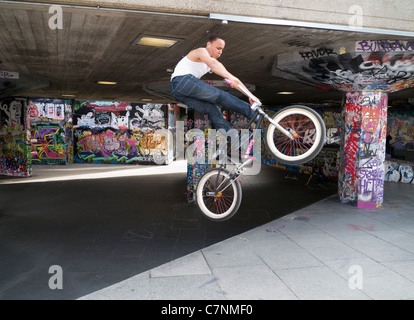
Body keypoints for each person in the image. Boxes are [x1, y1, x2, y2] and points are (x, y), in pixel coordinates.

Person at [170, 34, 259, 132]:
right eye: (218, 48)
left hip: (178, 92)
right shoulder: (201, 51)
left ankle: (232, 137)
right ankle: (254, 114)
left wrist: (250, 95)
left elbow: (235, 79)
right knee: (221, 96)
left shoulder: (214, 62)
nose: (220, 52)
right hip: (183, 81)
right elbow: (212, 65)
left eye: (222, 49)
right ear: (209, 44)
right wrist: (228, 77)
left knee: (212, 109)